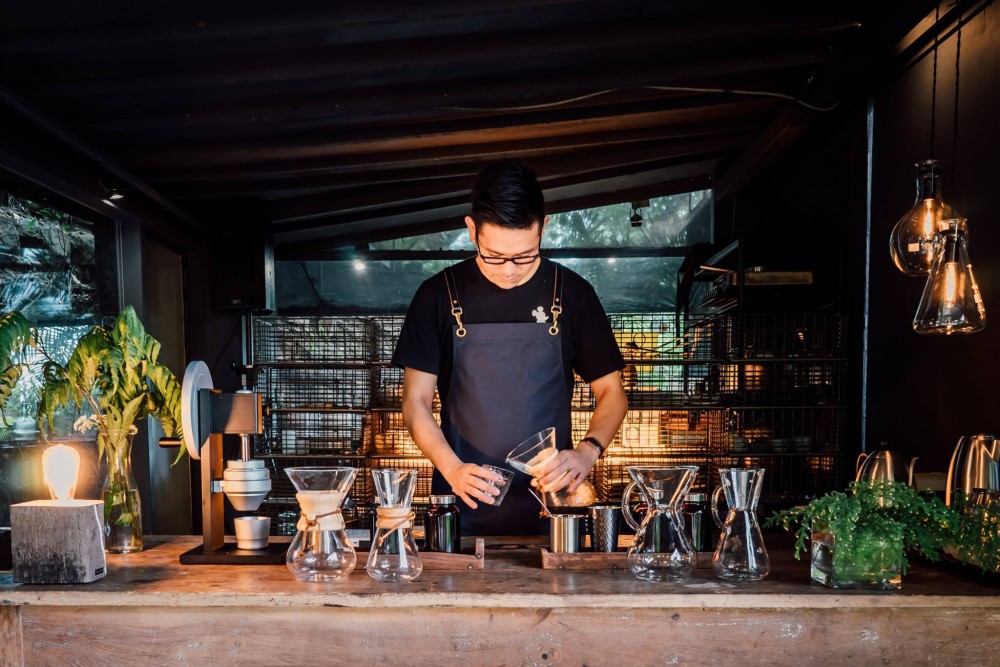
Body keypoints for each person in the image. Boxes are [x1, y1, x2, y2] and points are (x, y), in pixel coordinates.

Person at [392, 159, 628, 535]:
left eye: (524, 255)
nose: (509, 270)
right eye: (495, 256)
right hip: (462, 501)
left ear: (543, 228)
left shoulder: (572, 293)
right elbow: (415, 401)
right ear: (472, 230)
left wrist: (587, 451)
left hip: (554, 507)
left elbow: (612, 392)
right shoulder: (437, 295)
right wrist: (451, 468)